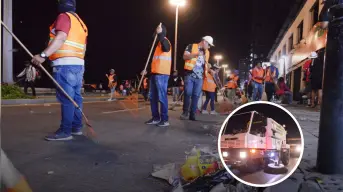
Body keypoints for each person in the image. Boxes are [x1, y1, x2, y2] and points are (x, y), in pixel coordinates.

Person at [31, 0, 88, 141]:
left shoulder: (64, 16)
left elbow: (61, 37)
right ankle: (76, 127)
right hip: (78, 65)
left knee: (67, 99)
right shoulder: (81, 24)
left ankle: (65, 131)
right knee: (75, 98)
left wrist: (43, 55)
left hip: (64, 65)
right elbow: (84, 48)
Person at [180, 36, 214, 121]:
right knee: (187, 93)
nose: (209, 47)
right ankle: (185, 112)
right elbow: (184, 57)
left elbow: (204, 65)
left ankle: (192, 114)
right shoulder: (191, 46)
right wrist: (196, 54)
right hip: (190, 74)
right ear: (204, 42)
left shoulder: (207, 52)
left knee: (196, 96)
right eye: (208, 45)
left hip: (200, 77)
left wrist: (210, 70)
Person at [145, 24, 172, 127]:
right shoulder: (156, 46)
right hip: (154, 73)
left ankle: (165, 120)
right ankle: (156, 118)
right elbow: (155, 61)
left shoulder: (165, 41)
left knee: (161, 97)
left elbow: (166, 48)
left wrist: (160, 33)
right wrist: (147, 71)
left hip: (162, 74)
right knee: (153, 97)